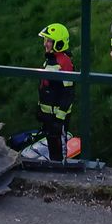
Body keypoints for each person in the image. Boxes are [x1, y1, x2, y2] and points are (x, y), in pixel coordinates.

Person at [37, 23, 74, 162]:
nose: (45, 44)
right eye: (45, 40)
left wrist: (59, 119)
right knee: (52, 147)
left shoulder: (64, 63)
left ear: (58, 43)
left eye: (49, 41)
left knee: (60, 151)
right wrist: (41, 109)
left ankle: (62, 176)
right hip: (48, 114)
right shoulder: (50, 60)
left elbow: (69, 93)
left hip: (58, 116)